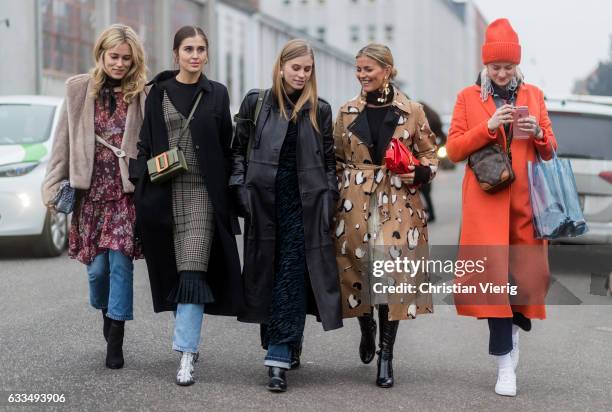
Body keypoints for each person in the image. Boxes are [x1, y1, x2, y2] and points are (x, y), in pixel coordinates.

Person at [446, 18, 557, 397]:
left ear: (517, 66)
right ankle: (504, 364)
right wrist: (489, 125)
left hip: (527, 205)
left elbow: (550, 148)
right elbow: (456, 149)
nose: (503, 73)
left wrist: (538, 134)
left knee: (527, 285)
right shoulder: (468, 98)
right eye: (496, 67)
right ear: (485, 66)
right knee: (493, 286)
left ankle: (514, 331)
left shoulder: (534, 96)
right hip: (486, 203)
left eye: (508, 67)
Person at [129, 26, 242, 386]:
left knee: (193, 272)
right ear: (175, 53)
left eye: (201, 49)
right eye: (188, 49)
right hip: (164, 192)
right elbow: (145, 144)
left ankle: (186, 355)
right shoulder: (158, 92)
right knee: (174, 274)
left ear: (207, 54)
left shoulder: (217, 94)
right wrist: (139, 183)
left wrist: (232, 194)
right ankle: (187, 339)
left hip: (203, 196)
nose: (195, 55)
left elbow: (227, 147)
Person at [230, 39, 343, 392]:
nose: (302, 75)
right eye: (296, 68)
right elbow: (238, 151)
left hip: (304, 207)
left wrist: (329, 197)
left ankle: (277, 358)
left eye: (307, 69)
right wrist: (240, 188)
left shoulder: (319, 110)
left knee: (292, 276)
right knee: (268, 275)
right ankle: (287, 341)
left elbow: (328, 162)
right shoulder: (257, 102)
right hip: (263, 203)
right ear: (281, 67)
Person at [333, 43, 439, 388]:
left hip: (396, 200)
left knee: (389, 275)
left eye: (369, 69)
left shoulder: (412, 111)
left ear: (387, 71)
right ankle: (365, 326)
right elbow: (333, 157)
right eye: (359, 69)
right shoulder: (347, 111)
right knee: (357, 271)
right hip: (354, 200)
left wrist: (422, 174)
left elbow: (430, 154)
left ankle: (386, 355)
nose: (362, 75)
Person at [42, 24, 147, 369]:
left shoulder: (140, 93)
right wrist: (52, 186)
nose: (119, 64)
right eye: (114, 57)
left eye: (126, 59)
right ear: (100, 54)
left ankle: (115, 337)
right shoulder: (77, 89)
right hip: (89, 195)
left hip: (123, 195)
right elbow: (62, 143)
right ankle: (107, 314)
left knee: (120, 264)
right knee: (96, 271)